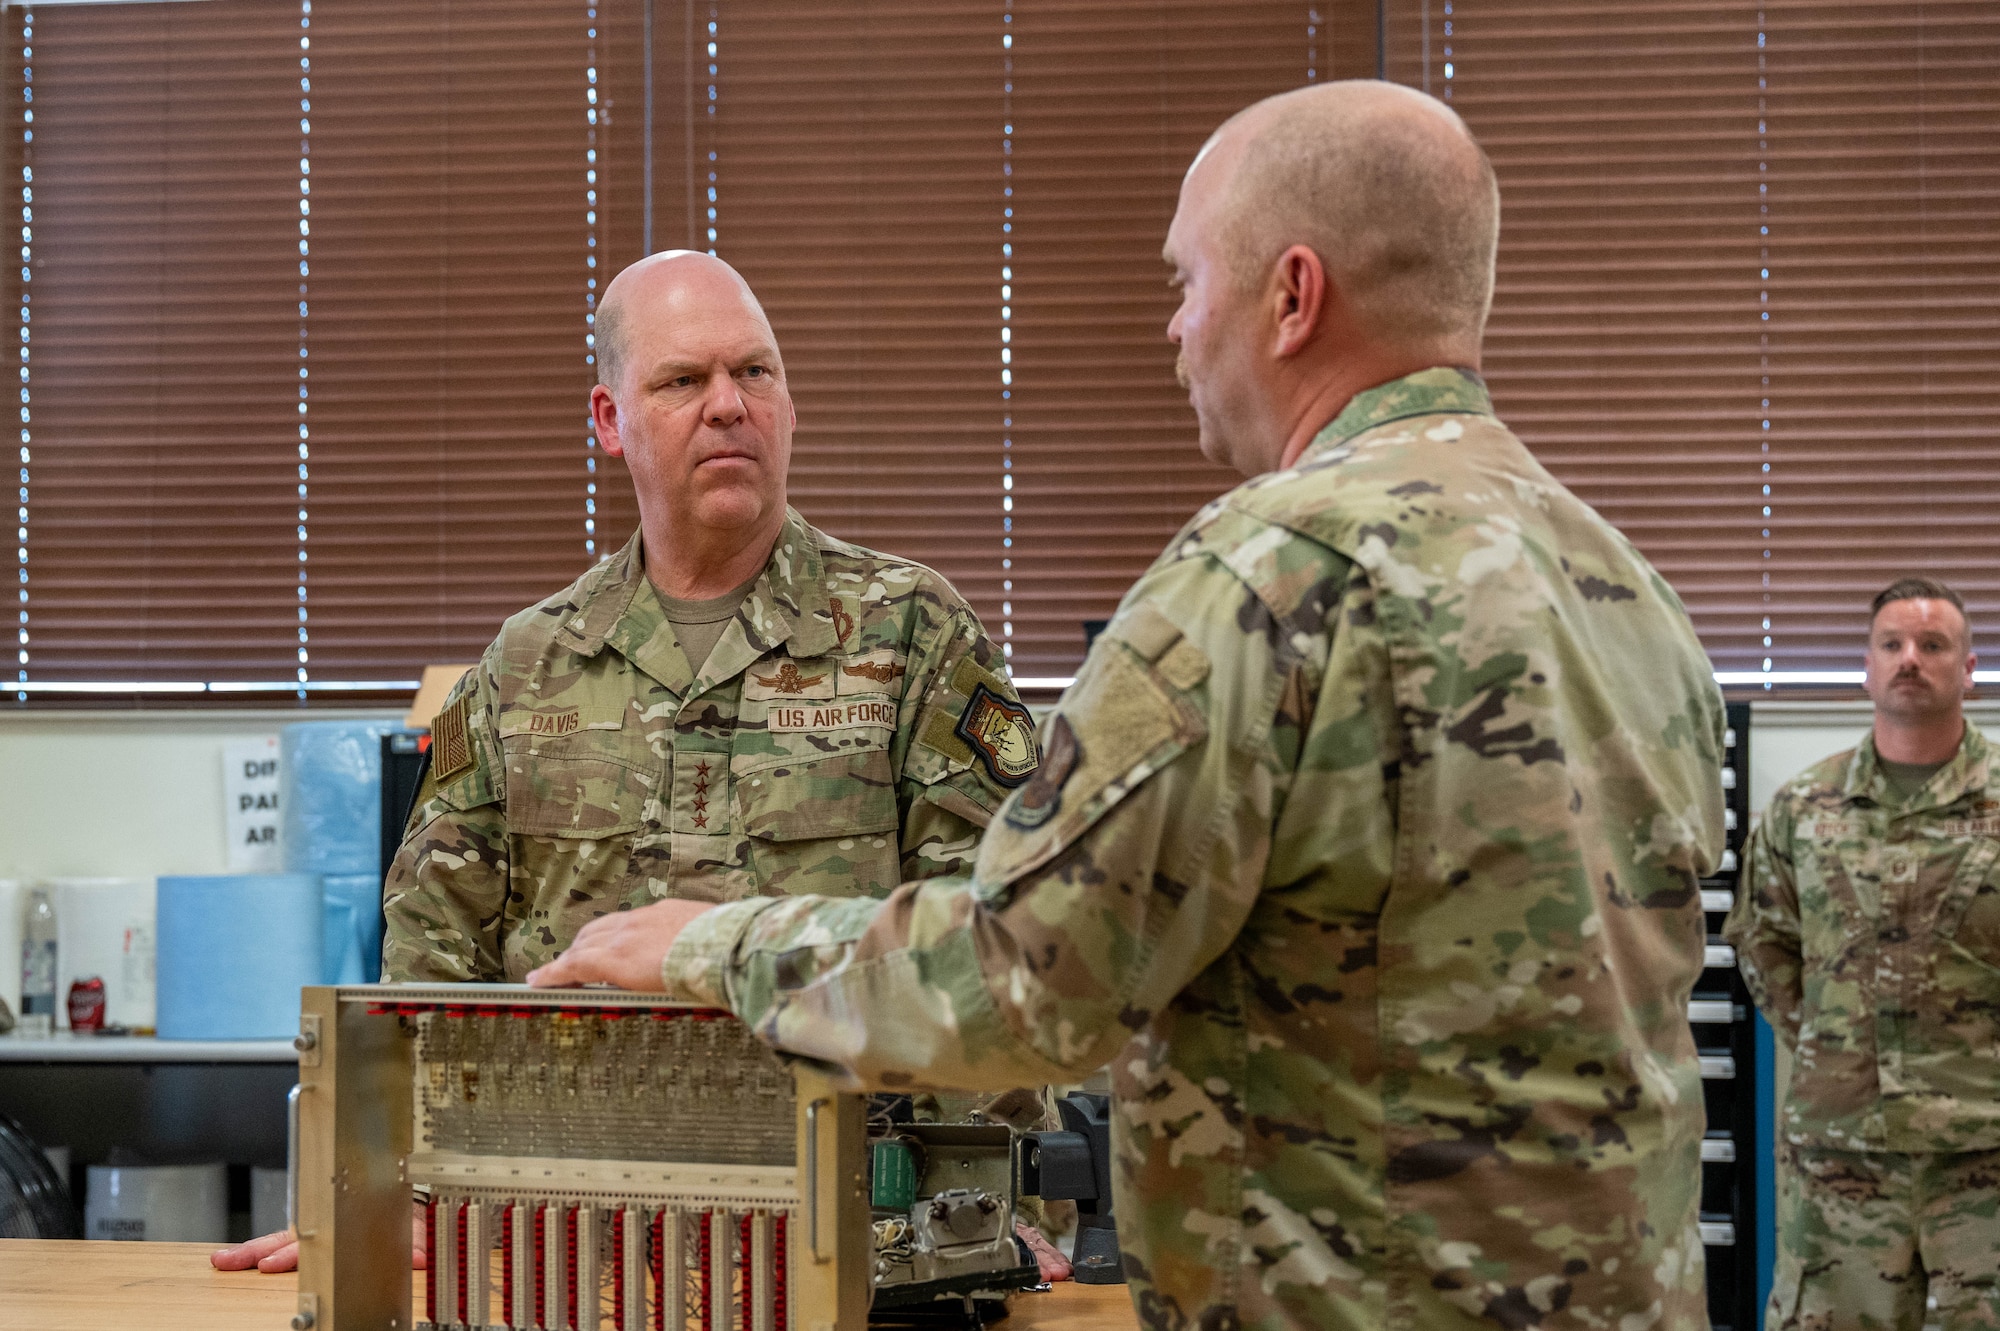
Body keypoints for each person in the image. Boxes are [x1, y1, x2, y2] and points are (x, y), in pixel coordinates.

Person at [528, 81, 1727, 1330]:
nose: (1173, 328)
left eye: (1185, 280)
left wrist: (700, 945)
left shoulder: (1261, 581)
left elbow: (1022, 978)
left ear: (1291, 296)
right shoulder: (1622, 587)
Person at [213, 250, 1050, 1276]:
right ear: (608, 420)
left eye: (756, 372)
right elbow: (430, 959)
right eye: (682, 380)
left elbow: (996, 928)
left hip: (852, 1242)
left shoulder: (911, 630)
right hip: (565, 1244)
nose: (728, 406)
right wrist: (394, 1191)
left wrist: (989, 1216)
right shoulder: (525, 665)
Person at [1728, 578, 2000, 1331]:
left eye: (1933, 644)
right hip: (1841, 1151)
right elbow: (1764, 943)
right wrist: (1837, 1046)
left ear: (1969, 668)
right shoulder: (1802, 807)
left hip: (1984, 1149)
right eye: (1892, 644)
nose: (1910, 659)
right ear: (1867, 669)